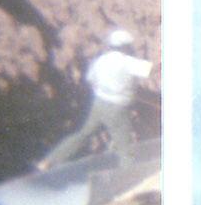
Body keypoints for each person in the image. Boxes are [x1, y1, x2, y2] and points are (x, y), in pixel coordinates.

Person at [36, 29, 154, 170]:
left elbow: (90, 79)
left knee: (83, 134)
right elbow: (150, 70)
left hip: (98, 105)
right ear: (125, 46)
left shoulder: (101, 60)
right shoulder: (128, 62)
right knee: (125, 145)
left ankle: (49, 160)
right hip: (117, 109)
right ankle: (128, 174)